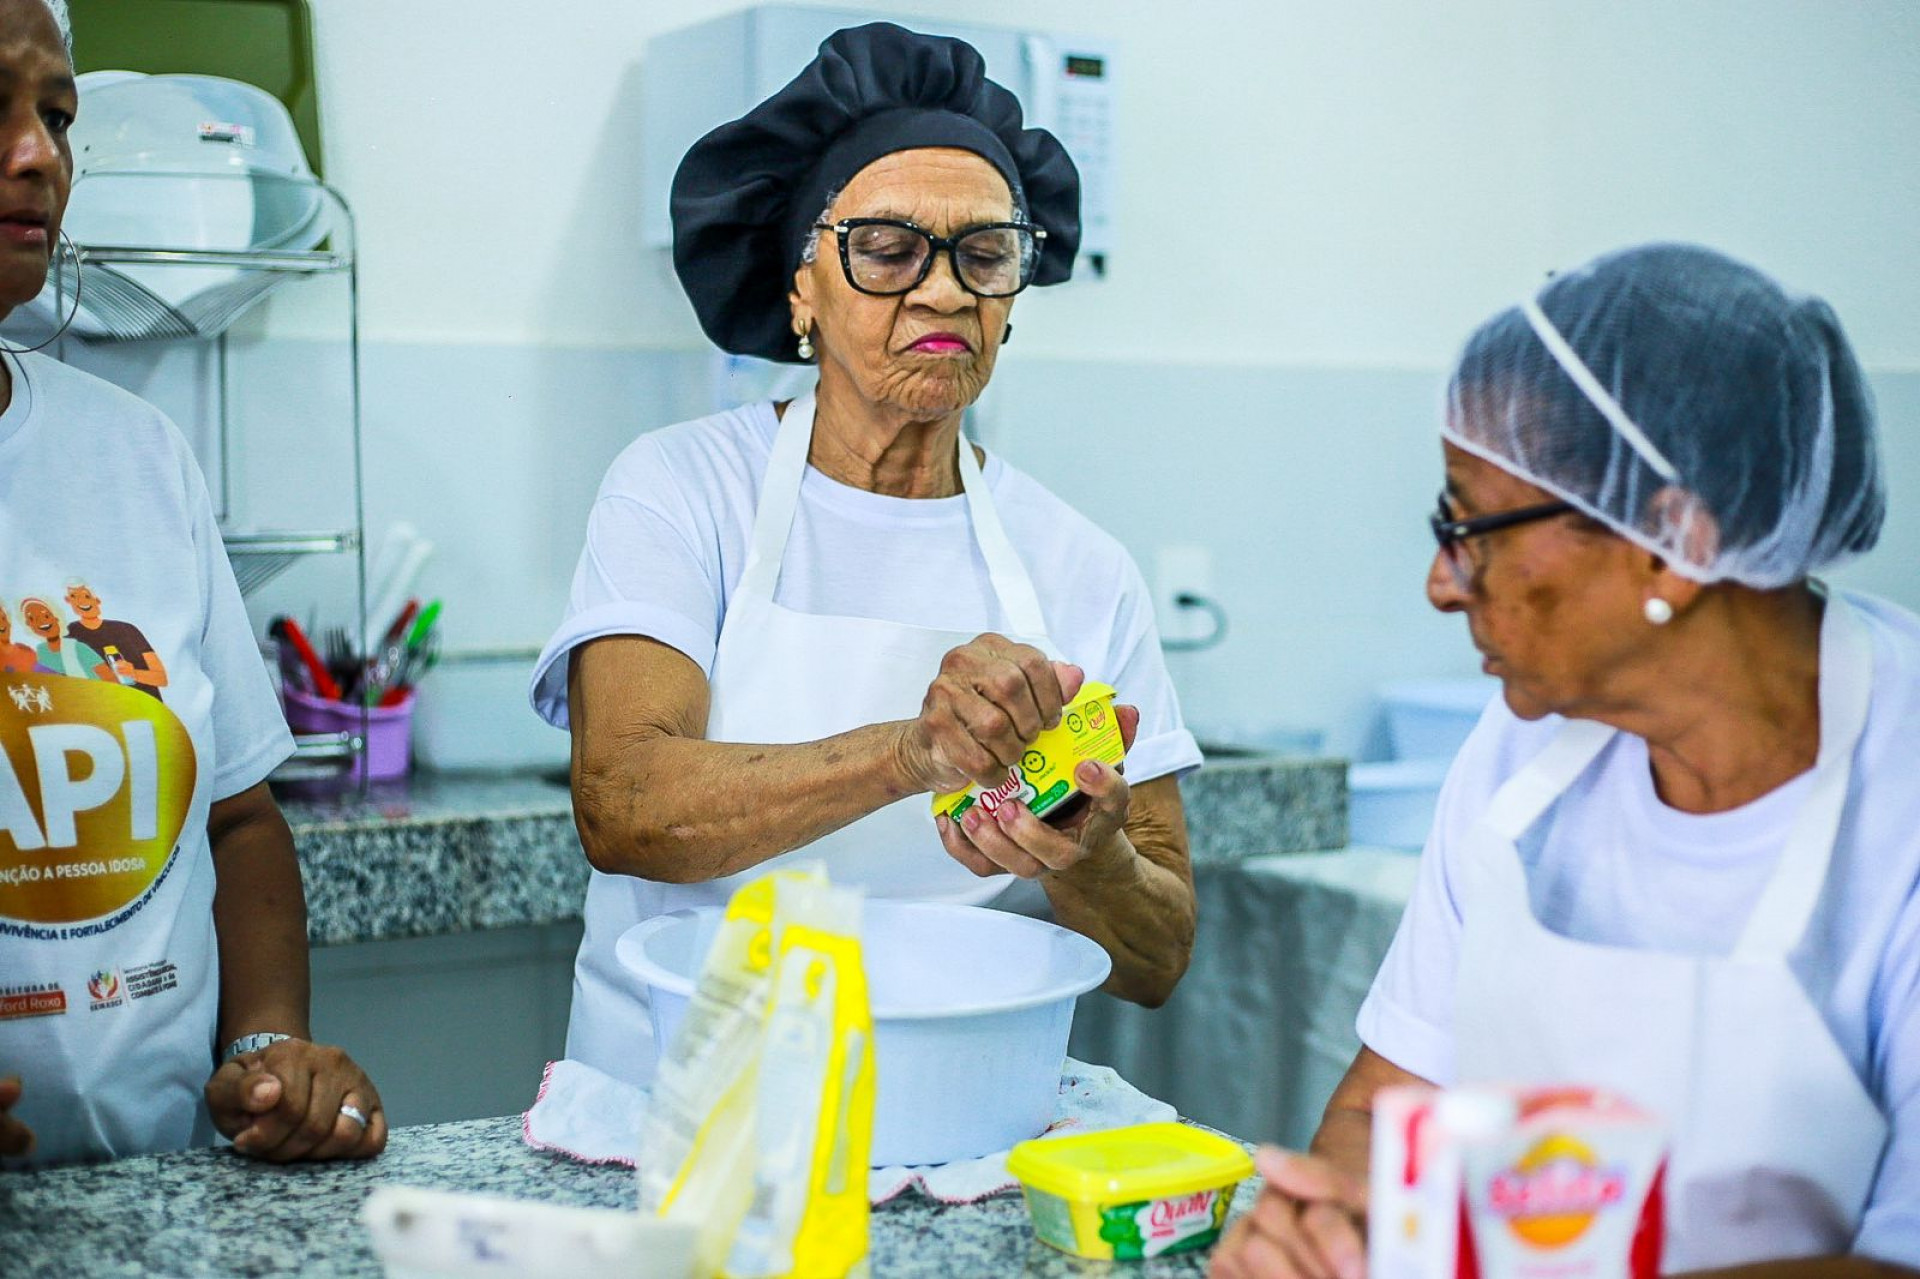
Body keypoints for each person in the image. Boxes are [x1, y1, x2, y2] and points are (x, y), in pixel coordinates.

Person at [1209, 244, 1920, 1276]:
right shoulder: (1525, 749)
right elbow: (1385, 1105)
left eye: (1471, 525)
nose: (1440, 584)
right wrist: (1332, 1234)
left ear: (1670, 542)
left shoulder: (1899, 794)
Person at [531, 22, 1202, 1082]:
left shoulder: (1078, 563)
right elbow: (625, 805)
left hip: (963, 1105)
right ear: (803, 289)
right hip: (690, 1108)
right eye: (887, 250)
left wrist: (1094, 856)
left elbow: (1157, 957)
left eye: (984, 254)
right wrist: (910, 754)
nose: (943, 291)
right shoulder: (681, 490)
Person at [0, 0, 385, 1167]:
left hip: (159, 1188)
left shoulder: (135, 454)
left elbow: (238, 817)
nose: (38, 154)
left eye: (57, 115)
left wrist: (270, 1047)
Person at [67, 578, 168, 698]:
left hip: (147, 706)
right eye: (74, 596)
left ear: (97, 600)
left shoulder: (126, 629)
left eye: (86, 596)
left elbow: (161, 678)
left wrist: (134, 673)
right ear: (68, 601)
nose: (81, 601)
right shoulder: (70, 635)